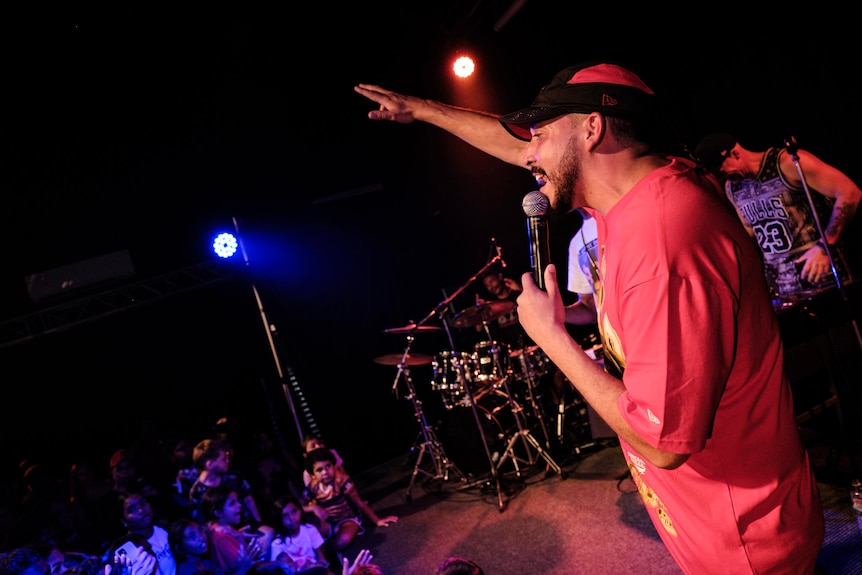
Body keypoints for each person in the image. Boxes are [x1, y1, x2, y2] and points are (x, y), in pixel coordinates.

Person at [355, 61, 825, 574]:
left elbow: (664, 442)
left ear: (592, 129)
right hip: (724, 523)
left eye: (541, 135)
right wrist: (422, 110)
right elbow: (519, 148)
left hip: (744, 543)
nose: (528, 152)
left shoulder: (662, 239)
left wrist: (552, 337)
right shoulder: (630, 192)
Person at [694, 132, 861, 306]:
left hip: (823, 275)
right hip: (784, 290)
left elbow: (849, 193)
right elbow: (749, 230)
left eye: (723, 170)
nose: (725, 178)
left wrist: (825, 246)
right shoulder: (732, 187)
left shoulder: (788, 163)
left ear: (735, 153)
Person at [302, 449, 396, 559]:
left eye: (328, 466)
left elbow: (358, 502)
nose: (325, 472)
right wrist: (313, 508)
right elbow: (299, 507)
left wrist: (377, 520)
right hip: (327, 523)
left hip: (346, 520)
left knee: (342, 542)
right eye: (319, 470)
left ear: (334, 466)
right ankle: (316, 549)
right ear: (313, 474)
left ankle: (323, 550)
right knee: (307, 522)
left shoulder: (343, 481)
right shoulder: (313, 487)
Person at [187, 438, 275, 556]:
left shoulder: (233, 475)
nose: (227, 460)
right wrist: (232, 533)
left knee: (268, 534)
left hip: (245, 523)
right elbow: (202, 523)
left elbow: (248, 500)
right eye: (223, 459)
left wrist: (258, 522)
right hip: (222, 534)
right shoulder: (197, 492)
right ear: (209, 464)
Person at [268, 496, 329, 575]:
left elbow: (321, 556)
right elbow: (276, 568)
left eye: (294, 511)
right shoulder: (277, 543)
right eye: (285, 516)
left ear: (300, 511)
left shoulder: (309, 529)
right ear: (280, 520)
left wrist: (324, 569)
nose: (291, 518)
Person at [119, 493, 176, 575]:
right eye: (131, 510)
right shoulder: (130, 550)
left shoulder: (163, 526)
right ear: (124, 522)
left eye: (142, 503)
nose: (141, 510)